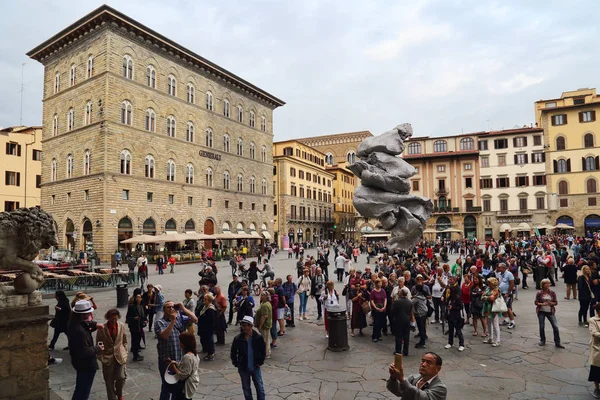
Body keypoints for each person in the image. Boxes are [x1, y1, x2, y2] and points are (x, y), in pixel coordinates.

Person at [155, 301, 198, 400]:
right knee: (166, 386)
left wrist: (183, 308)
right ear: (164, 310)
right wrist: (172, 321)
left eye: (172, 307)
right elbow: (164, 336)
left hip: (179, 360)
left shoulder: (180, 319)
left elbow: (195, 319)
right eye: (168, 307)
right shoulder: (159, 322)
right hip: (166, 360)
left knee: (177, 387)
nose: (171, 309)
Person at [67, 300, 104, 400]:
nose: (89, 314)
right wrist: (98, 348)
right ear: (83, 314)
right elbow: (84, 351)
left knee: (80, 388)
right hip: (86, 364)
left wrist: (95, 325)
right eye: (88, 312)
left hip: (78, 363)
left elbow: (87, 324)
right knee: (83, 390)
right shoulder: (79, 331)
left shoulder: (73, 323)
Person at [230, 316, 267, 400]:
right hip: (243, 367)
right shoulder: (238, 338)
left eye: (246, 325)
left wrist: (260, 362)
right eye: (242, 325)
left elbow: (263, 351)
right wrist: (236, 363)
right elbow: (233, 352)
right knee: (246, 388)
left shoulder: (258, 337)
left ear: (251, 326)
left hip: (255, 367)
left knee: (260, 388)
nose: (244, 328)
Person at [95, 308, 128, 400]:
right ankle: (112, 397)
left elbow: (124, 340)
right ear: (108, 318)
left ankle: (119, 393)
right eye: (112, 319)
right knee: (109, 380)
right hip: (107, 356)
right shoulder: (102, 328)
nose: (114, 321)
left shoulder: (121, 325)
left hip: (120, 355)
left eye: (116, 319)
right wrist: (101, 356)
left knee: (121, 377)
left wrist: (125, 351)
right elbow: (98, 342)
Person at [167, 332, 200, 400]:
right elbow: (187, 366)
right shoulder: (195, 354)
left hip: (185, 386)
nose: (179, 343)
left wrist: (173, 366)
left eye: (180, 341)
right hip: (192, 383)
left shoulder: (187, 357)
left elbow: (182, 375)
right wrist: (175, 362)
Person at [535, 278, 565, 348]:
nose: (548, 285)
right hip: (541, 311)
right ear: (543, 285)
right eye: (546, 283)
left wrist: (551, 303)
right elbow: (536, 302)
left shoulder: (552, 293)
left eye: (549, 283)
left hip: (550, 311)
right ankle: (542, 340)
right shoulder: (539, 293)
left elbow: (556, 302)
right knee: (542, 326)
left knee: (555, 326)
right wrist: (541, 304)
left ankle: (557, 342)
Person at [443, 276, 465, 352]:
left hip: (456, 315)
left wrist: (453, 307)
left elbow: (460, 306)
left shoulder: (457, 297)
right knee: (450, 329)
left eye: (451, 279)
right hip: (449, 315)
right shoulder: (448, 290)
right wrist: (443, 297)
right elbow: (444, 293)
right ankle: (450, 342)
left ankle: (461, 344)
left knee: (458, 330)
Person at [390, 287, 414, 356]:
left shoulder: (397, 302)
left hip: (399, 320)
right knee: (406, 336)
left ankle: (398, 351)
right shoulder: (409, 302)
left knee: (398, 336)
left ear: (400, 293)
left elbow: (393, 311)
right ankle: (406, 351)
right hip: (407, 320)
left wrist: (393, 317)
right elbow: (410, 312)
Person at [481, 277, 501, 347]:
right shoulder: (488, 289)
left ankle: (498, 340)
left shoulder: (496, 290)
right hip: (487, 308)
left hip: (494, 309)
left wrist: (486, 297)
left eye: (489, 282)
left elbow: (492, 298)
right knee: (489, 323)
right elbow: (482, 296)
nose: (488, 284)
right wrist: (486, 297)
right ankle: (490, 337)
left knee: (495, 324)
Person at [126, 293, 146, 361]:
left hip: (140, 325)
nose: (138, 299)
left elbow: (144, 315)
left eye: (139, 297)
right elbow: (128, 317)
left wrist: (145, 320)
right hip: (134, 326)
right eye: (137, 297)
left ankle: (137, 354)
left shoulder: (141, 306)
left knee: (138, 340)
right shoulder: (132, 307)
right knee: (134, 340)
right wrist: (134, 318)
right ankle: (135, 355)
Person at [198, 293, 217, 361]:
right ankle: (206, 350)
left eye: (205, 299)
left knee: (209, 341)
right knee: (204, 340)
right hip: (203, 328)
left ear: (209, 300)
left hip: (208, 329)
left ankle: (211, 353)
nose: (204, 300)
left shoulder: (210, 309)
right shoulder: (205, 306)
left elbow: (211, 321)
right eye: (204, 299)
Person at [497, 263, 516, 329]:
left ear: (503, 268)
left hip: (507, 293)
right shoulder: (499, 274)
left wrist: (508, 293)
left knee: (508, 308)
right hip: (501, 293)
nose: (498, 268)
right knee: (503, 307)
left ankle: (512, 322)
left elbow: (512, 284)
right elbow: (498, 282)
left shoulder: (509, 274)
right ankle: (506, 319)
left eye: (499, 267)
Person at [255, 291, 273, 358]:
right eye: (261, 295)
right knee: (265, 338)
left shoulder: (265, 305)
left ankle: (266, 353)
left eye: (263, 295)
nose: (261, 296)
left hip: (265, 325)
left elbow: (264, 316)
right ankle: (266, 352)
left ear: (266, 297)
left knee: (265, 339)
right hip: (266, 325)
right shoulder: (264, 303)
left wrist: (260, 325)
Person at [588, 303, 600, 398]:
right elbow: (594, 333)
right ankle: (597, 388)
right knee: (596, 370)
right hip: (597, 348)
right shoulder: (592, 320)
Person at [370, 278, 387, 343]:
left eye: (381, 283)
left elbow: (385, 299)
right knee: (376, 323)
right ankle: (374, 336)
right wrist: (375, 308)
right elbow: (372, 301)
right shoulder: (373, 292)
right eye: (379, 283)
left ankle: (379, 335)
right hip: (376, 308)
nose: (380, 284)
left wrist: (384, 306)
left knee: (381, 322)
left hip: (382, 307)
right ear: (376, 284)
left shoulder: (383, 291)